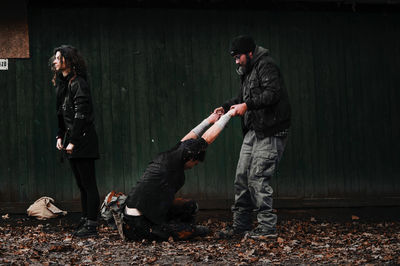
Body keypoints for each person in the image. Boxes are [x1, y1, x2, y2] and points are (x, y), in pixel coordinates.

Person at [214, 35, 291, 240]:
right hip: (253, 130)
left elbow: (272, 94)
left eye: (238, 56)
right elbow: (242, 99)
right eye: (235, 58)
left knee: (258, 177)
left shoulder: (266, 66)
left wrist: (246, 106)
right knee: (241, 177)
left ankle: (267, 229)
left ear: (249, 53)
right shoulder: (247, 71)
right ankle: (241, 226)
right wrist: (224, 108)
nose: (237, 61)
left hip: (271, 130)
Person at [122, 110, 236, 241]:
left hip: (143, 214)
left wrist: (209, 120)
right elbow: (206, 140)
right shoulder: (173, 163)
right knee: (198, 231)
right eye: (195, 163)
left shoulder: (169, 156)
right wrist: (229, 115)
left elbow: (188, 138)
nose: (193, 166)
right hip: (138, 224)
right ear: (191, 158)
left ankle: (173, 226)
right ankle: (174, 228)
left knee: (190, 206)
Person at [51, 45, 100, 237]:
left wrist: (74, 141)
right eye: (55, 58)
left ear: (68, 61)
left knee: (88, 183)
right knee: (81, 184)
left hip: (83, 140)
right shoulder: (64, 84)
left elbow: (81, 114)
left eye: (58, 58)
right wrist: (60, 136)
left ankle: (92, 225)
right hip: (73, 139)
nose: (55, 61)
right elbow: (62, 114)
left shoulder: (78, 83)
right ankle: (85, 219)